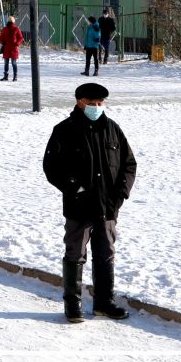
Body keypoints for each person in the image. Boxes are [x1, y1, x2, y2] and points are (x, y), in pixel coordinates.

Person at [43, 82, 137, 324]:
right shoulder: (64, 130)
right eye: (92, 103)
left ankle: (104, 302)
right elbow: (52, 167)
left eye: (100, 103)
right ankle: (72, 304)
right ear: (79, 103)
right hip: (79, 206)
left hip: (108, 207)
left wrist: (120, 195)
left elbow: (129, 165)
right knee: (75, 253)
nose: (97, 107)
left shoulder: (113, 129)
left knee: (106, 254)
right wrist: (75, 187)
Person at [0, 15, 24, 82]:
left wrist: (3, 43)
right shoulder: (16, 29)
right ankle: (15, 77)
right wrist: (17, 43)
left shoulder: (4, 29)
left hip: (7, 48)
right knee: (14, 63)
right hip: (14, 49)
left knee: (6, 63)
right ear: (13, 22)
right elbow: (21, 38)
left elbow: (0, 38)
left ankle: (6, 76)